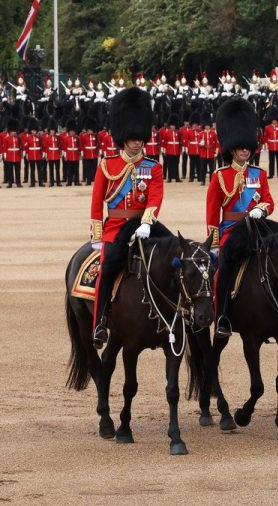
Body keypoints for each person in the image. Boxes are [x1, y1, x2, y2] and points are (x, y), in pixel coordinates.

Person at [90, 87, 164, 349]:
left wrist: (147, 221)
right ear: (123, 138)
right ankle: (99, 323)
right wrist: (98, 237)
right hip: (116, 227)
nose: (138, 142)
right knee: (107, 268)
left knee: (175, 257)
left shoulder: (152, 167)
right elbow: (97, 202)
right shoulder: (107, 165)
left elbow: (155, 197)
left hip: (144, 225)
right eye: (133, 138)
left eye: (140, 137)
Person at [206, 98, 275, 339]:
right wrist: (214, 243)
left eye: (248, 146)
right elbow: (213, 214)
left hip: (257, 226)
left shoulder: (259, 173)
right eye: (241, 147)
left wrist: (261, 210)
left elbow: (269, 201)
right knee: (224, 269)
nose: (245, 150)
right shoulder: (220, 176)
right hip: (232, 229)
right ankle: (223, 316)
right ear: (231, 149)